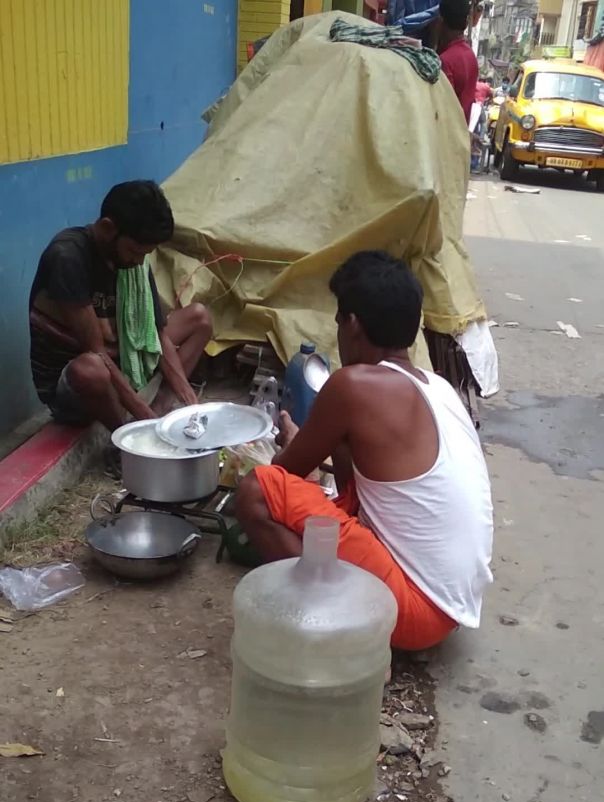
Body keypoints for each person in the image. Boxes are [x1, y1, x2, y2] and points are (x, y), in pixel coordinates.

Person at [235, 251, 493, 652]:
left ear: (352, 324)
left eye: (338, 320)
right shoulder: (437, 387)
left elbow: (284, 474)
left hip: (410, 610)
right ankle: (352, 612)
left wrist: (291, 439)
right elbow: (365, 481)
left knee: (256, 490)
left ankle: (335, 631)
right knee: (335, 474)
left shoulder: (352, 384)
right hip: (452, 606)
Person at [29, 180, 212, 431]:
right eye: (135, 252)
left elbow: (156, 335)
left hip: (121, 361)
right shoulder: (68, 257)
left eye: (145, 254)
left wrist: (189, 399)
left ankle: (162, 414)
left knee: (200, 318)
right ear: (107, 228)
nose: (140, 262)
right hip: (75, 384)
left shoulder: (133, 263)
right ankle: (125, 440)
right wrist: (145, 419)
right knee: (91, 370)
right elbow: (97, 353)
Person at [438, 0, 479, 124]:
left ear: (441, 21)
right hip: (462, 132)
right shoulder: (470, 56)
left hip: (448, 134)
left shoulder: (445, 60)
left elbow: (442, 107)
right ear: (466, 23)